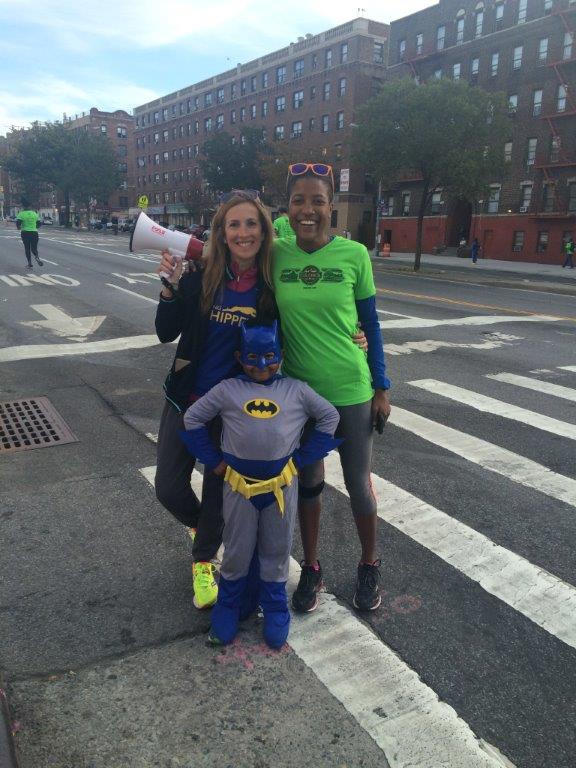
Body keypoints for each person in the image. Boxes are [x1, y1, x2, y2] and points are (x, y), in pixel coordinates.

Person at [272, 162, 391, 613]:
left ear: (331, 207)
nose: (308, 210)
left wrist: (382, 386)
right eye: (299, 200)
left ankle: (368, 564)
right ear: (288, 208)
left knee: (359, 485)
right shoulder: (276, 253)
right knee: (309, 482)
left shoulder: (354, 255)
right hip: (300, 396)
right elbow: (230, 255)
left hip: (351, 390)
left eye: (318, 201)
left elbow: (373, 326)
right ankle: (313, 568)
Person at [181, 321, 340, 648]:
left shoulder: (296, 390)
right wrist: (215, 462)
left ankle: (275, 606)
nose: (262, 365)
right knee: (236, 552)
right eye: (253, 357)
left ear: (281, 355)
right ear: (239, 356)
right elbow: (192, 418)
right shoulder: (227, 390)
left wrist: (301, 459)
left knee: (277, 550)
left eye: (270, 356)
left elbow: (329, 417)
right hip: (238, 488)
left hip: (281, 489)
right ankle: (228, 605)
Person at [154, 191, 277, 610]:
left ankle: (204, 558)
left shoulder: (270, 289)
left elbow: (293, 336)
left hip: (233, 414)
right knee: (168, 488)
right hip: (185, 400)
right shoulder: (201, 276)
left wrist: (356, 335)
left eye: (251, 224)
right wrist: (170, 291)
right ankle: (201, 528)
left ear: (263, 231)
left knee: (218, 491)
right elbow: (164, 333)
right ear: (222, 234)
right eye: (234, 225)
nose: (243, 233)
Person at [16, 199, 43, 269]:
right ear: (30, 206)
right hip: (34, 233)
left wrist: (19, 227)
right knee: (34, 248)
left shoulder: (21, 214)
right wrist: (34, 227)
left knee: (27, 248)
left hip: (25, 233)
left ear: (24, 206)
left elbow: (18, 224)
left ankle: (29, 263)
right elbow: (39, 224)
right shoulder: (35, 214)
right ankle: (37, 257)